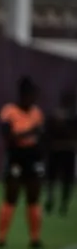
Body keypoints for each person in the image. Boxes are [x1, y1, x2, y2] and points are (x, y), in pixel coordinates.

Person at [0, 77, 46, 249]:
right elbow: (8, 137)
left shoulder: (37, 113)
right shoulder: (9, 111)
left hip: (32, 157)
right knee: (11, 195)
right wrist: (29, 132)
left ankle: (35, 238)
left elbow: (42, 138)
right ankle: (1, 238)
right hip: (16, 156)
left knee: (34, 196)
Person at [44, 88, 76, 216]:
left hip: (64, 150)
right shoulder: (55, 115)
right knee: (54, 178)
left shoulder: (72, 116)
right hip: (58, 150)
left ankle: (61, 203)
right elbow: (47, 133)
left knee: (64, 179)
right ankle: (54, 201)